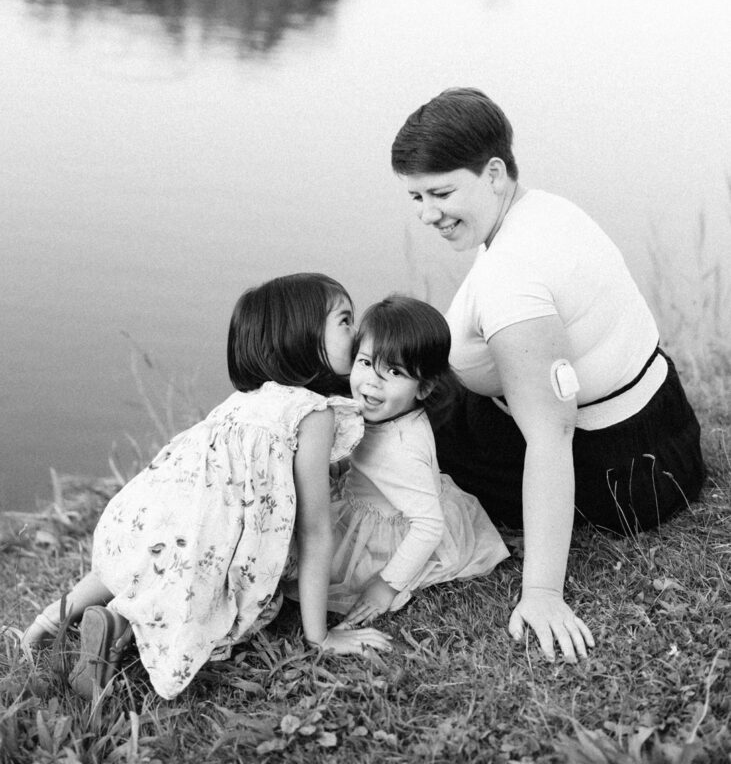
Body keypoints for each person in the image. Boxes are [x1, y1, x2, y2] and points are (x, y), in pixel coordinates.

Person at [390, 88, 705, 664]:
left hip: (627, 479)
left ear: (493, 173)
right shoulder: (544, 207)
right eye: (415, 196)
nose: (427, 213)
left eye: (440, 192)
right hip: (667, 428)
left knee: (395, 427)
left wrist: (542, 593)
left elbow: (551, 435)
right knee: (399, 387)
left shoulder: (515, 281)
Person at [20, 273, 391, 699]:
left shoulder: (243, 400)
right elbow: (315, 529)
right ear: (303, 338)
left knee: (137, 564)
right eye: (345, 320)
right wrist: (319, 637)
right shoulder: (312, 413)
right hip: (207, 537)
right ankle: (121, 626)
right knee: (210, 608)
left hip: (144, 511)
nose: (357, 331)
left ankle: (53, 618)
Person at [323, 295, 510, 624]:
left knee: (313, 553)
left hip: (395, 532)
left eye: (393, 371)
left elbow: (428, 526)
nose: (372, 380)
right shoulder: (393, 411)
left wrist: (386, 585)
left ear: (423, 388)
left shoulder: (399, 452)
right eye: (365, 362)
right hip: (393, 499)